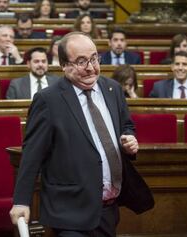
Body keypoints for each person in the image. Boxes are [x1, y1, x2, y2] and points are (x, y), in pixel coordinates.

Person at [9, 32, 154, 236]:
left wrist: (128, 141)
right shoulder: (48, 100)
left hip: (107, 209)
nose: (91, 67)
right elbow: (32, 154)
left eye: (94, 58)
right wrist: (21, 201)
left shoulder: (112, 88)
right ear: (64, 65)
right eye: (81, 61)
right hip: (69, 210)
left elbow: (126, 126)